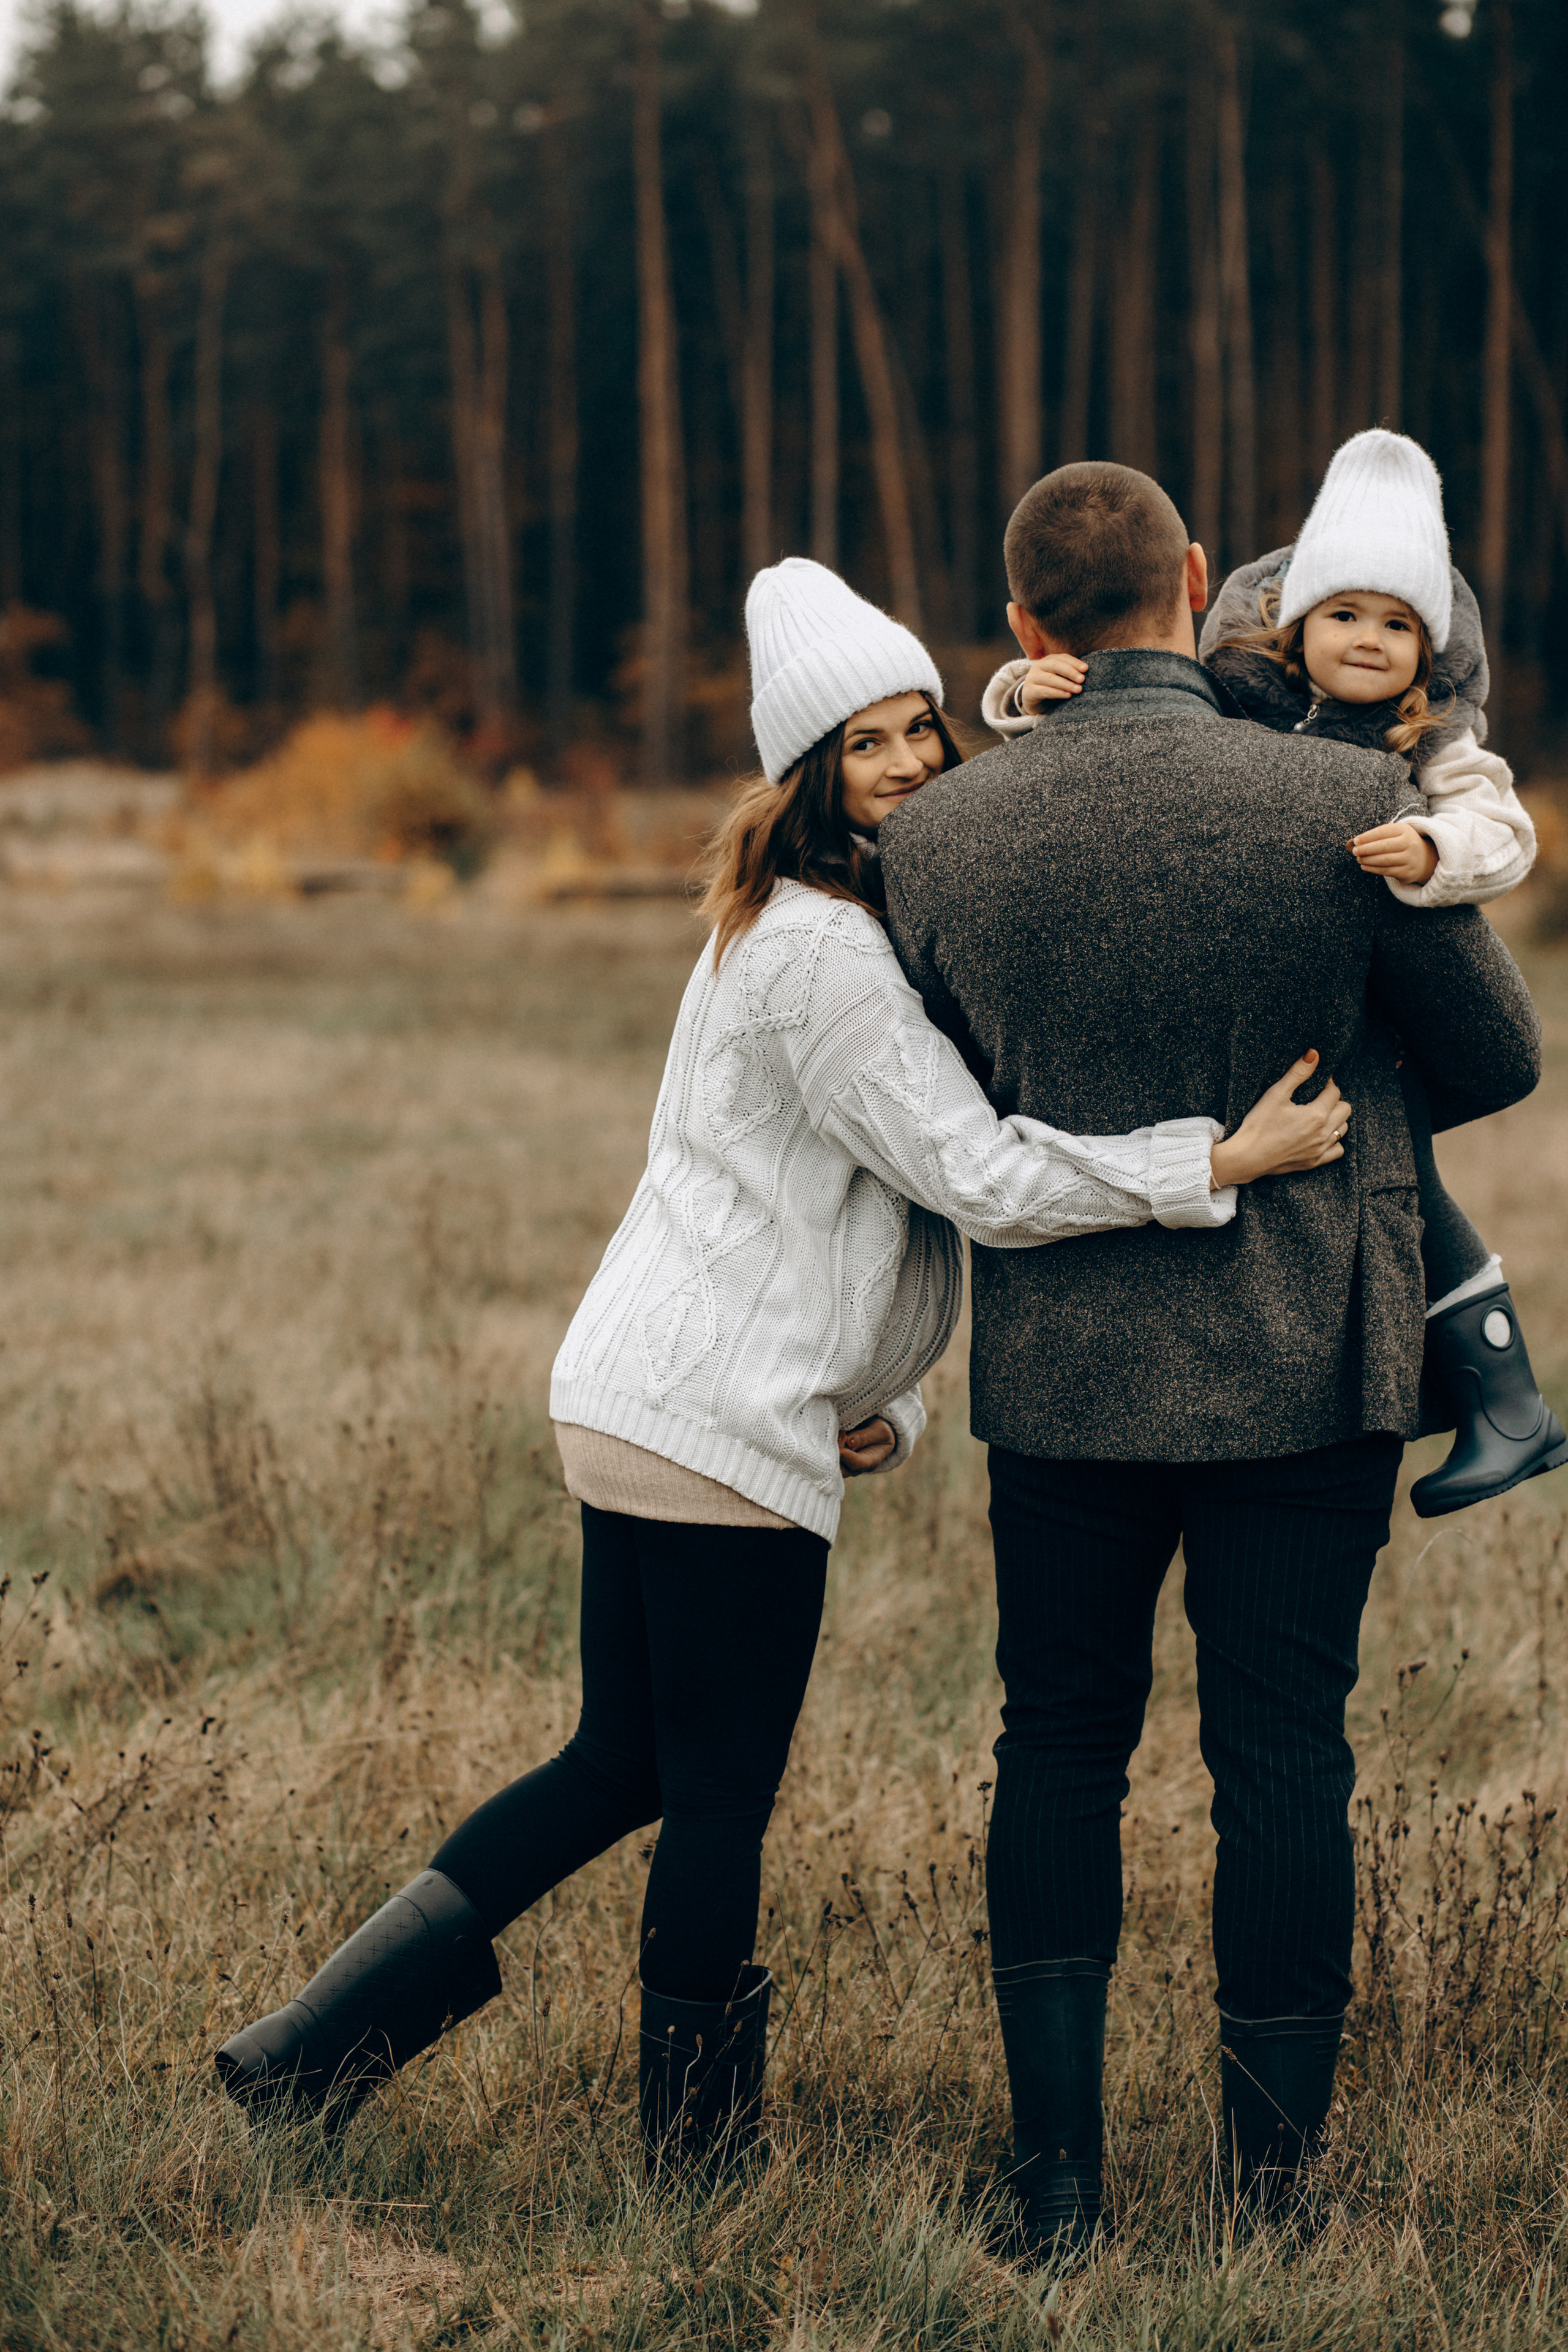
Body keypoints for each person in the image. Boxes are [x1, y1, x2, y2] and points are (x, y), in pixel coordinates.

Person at [214, 558, 1348, 2170]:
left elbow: (831, 1210)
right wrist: (1216, 1164)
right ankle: (693, 2157)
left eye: (921, 731)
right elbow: (978, 1178)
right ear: (805, 773)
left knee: (622, 1762)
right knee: (718, 1795)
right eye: (866, 745)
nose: (907, 765)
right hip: (711, 1422)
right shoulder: (826, 956)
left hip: (644, 1391)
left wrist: (877, 1394)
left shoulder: (785, 919)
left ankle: (312, 2049)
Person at [878, 462, 1541, 2247]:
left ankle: (1056, 2188)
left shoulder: (939, 836)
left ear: (1023, 630)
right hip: (1305, 1365)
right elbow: (1496, 1061)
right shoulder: (1345, 799)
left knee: (1058, 1744)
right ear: (1197, 579)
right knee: (1283, 1760)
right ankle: (1271, 2197)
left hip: (1066, 1381)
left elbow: (937, 1107)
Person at [982, 430, 1562, 1521]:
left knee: (1406, 1181)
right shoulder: (1235, 692)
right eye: (1344, 615)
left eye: (1399, 625)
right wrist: (1025, 694)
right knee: (1399, 1179)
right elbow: (1141, 721)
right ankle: (1505, 1400)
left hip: (1377, 991)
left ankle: (1505, 1397)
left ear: (1430, 651)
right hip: (1289, 990)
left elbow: (1504, 830)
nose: (1368, 641)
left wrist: (1439, 852)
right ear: (1291, 619)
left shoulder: (1430, 744)